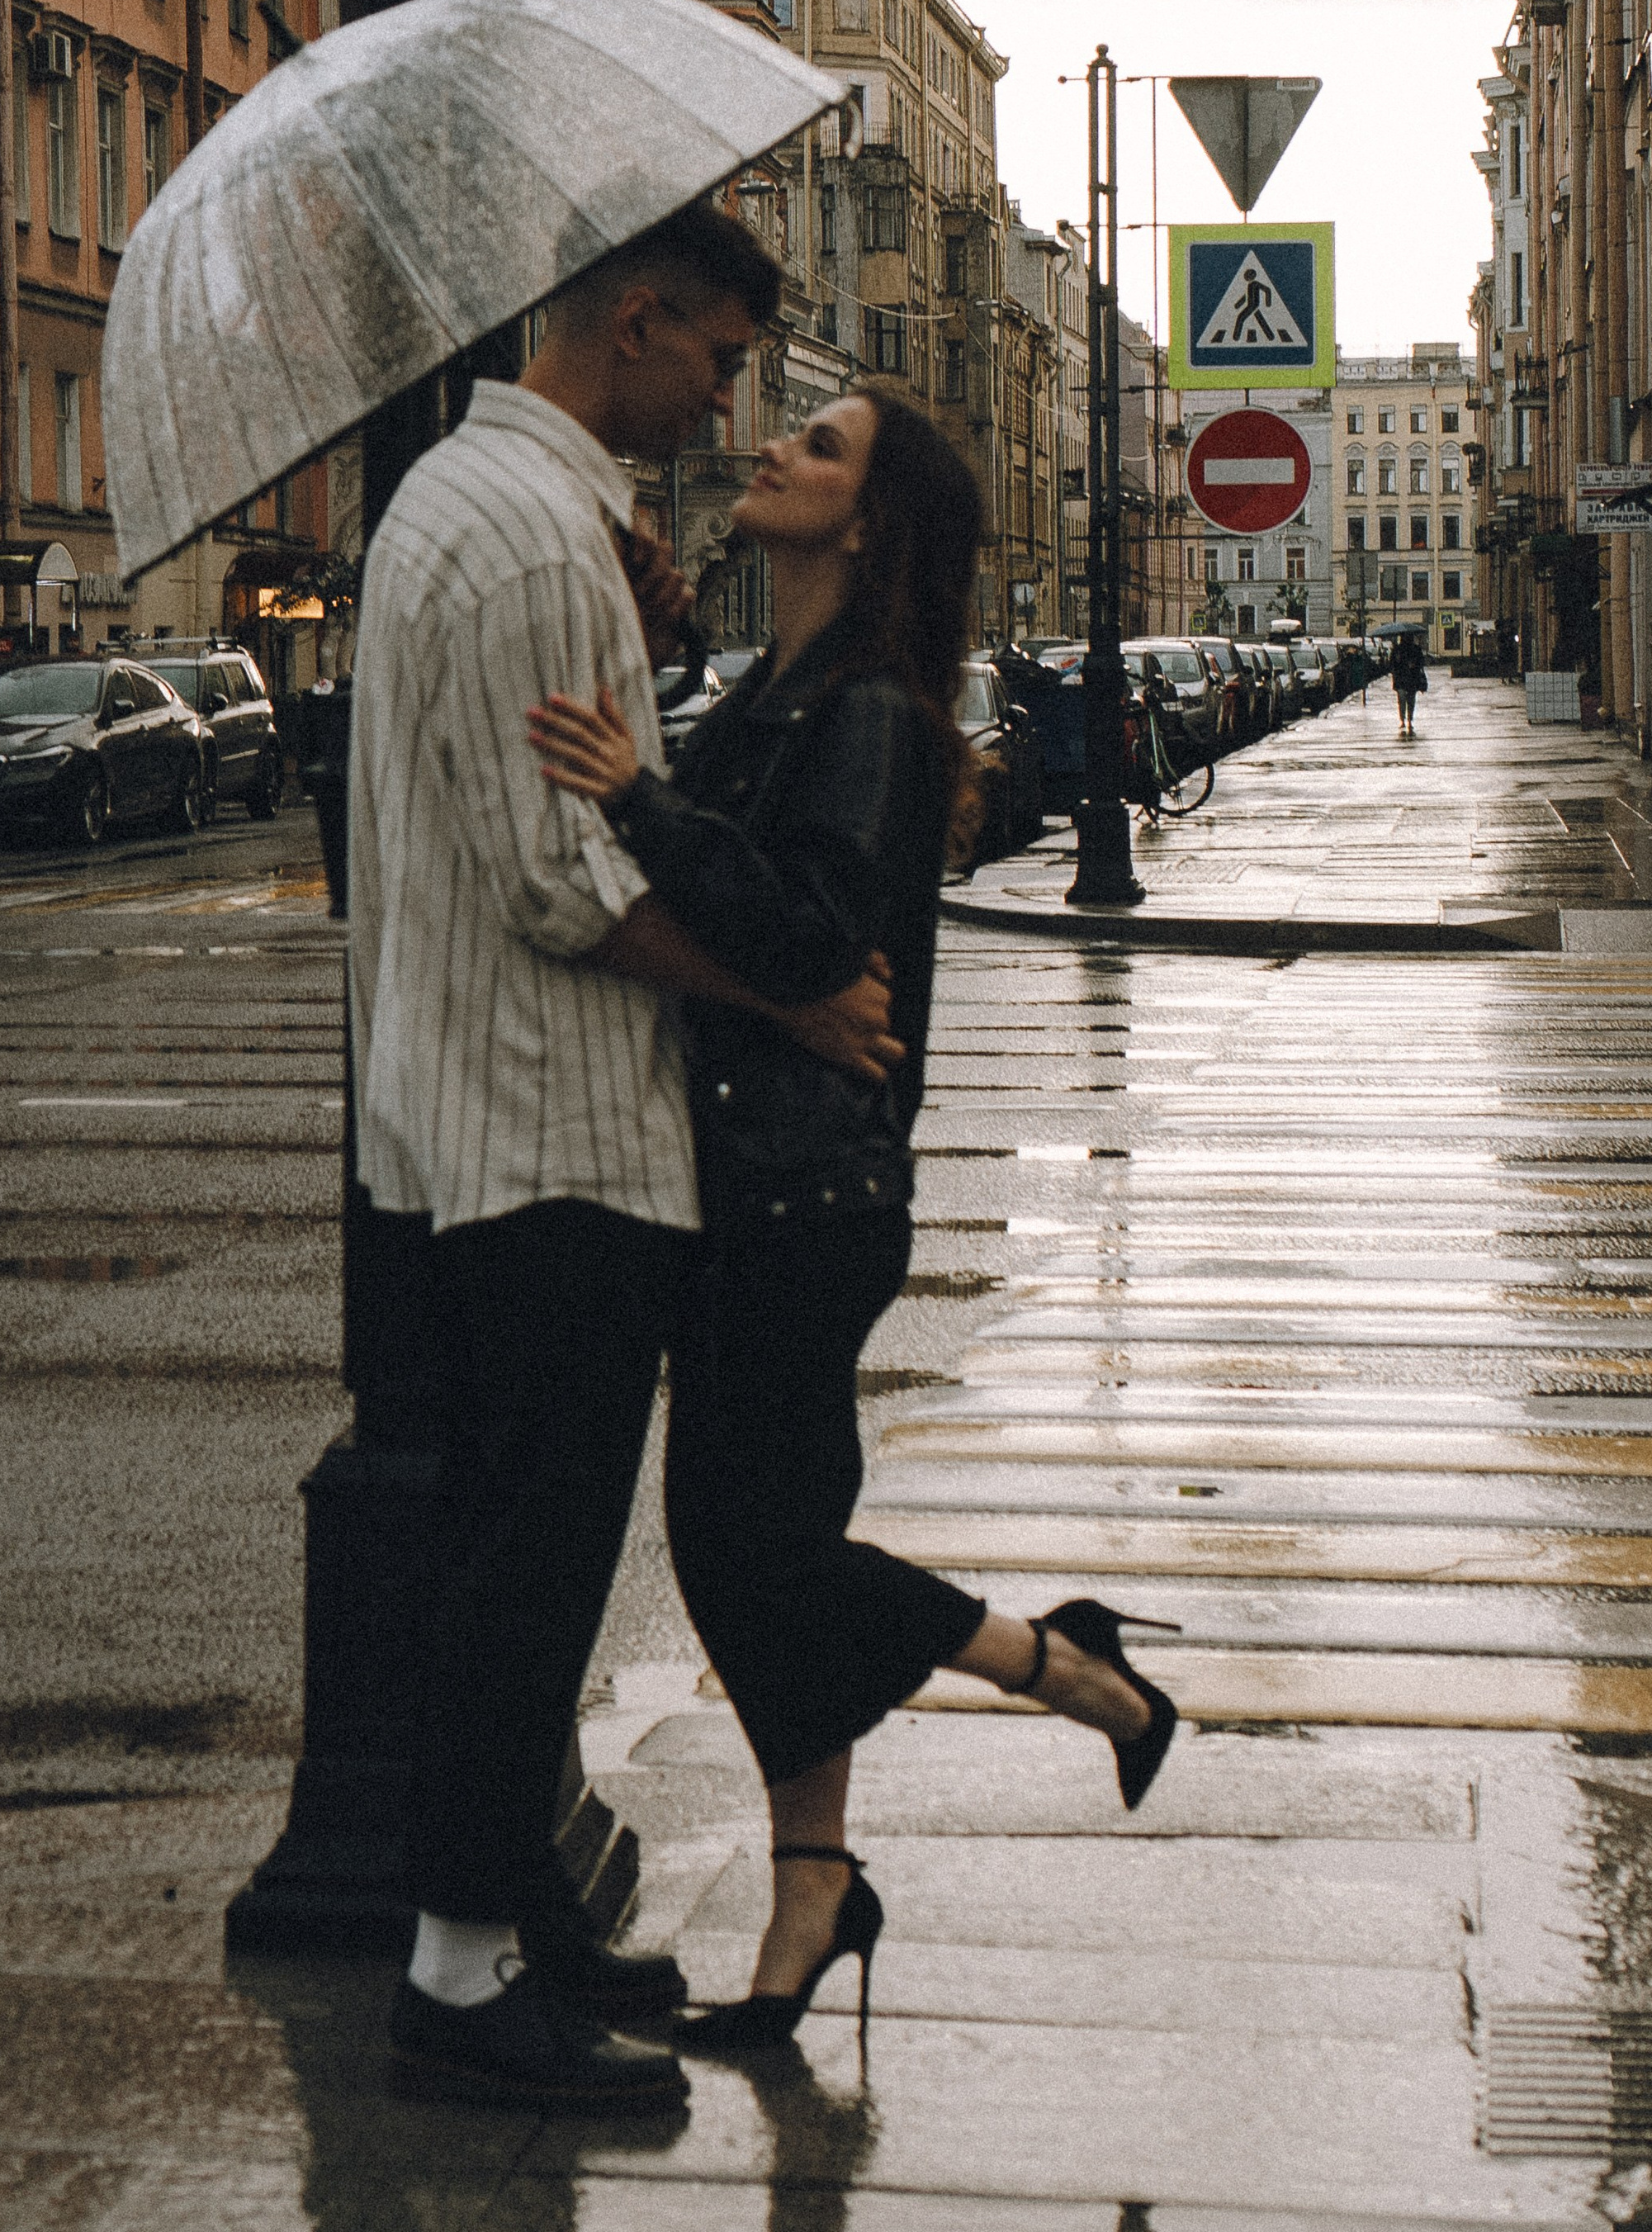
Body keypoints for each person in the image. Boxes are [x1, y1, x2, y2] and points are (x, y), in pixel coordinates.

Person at [528, 389, 1178, 2055]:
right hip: (764, 1180)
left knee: (749, 1558)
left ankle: (1064, 1665)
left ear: (867, 525)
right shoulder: (790, 688)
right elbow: (752, 853)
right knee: (765, 1549)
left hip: (799, 1197)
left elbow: (810, 926)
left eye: (815, 448)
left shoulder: (876, 710)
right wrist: (661, 679)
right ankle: (809, 1891)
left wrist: (636, 795)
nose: (769, 449)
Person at [353, 202, 901, 2113]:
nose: (731, 397)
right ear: (639, 319)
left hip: (502, 1120)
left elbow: (566, 809)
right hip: (550, 1130)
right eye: (726, 360)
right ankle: (456, 1975)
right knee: (525, 1566)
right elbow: (558, 884)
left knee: (528, 1552)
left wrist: (651, 652)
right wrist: (788, 1005)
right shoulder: (520, 532)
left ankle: (508, 1917)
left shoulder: (504, 509)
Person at [1392, 625, 1428, 733]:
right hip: (1402, 679)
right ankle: (1403, 719)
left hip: (1411, 678)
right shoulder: (1397, 650)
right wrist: (1398, 662)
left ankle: (1409, 720)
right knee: (1403, 700)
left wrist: (1414, 665)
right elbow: (1392, 665)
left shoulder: (1416, 649)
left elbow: (1421, 663)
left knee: (1410, 700)